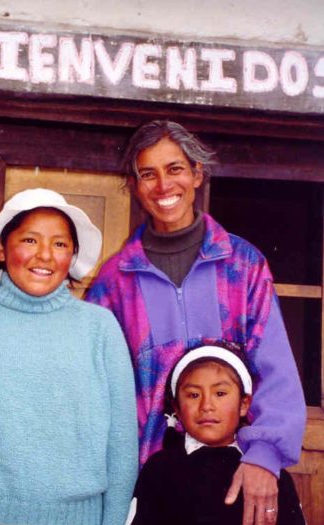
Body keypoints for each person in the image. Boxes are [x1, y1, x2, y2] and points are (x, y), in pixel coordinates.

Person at [86, 120, 306, 525]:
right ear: (134, 185)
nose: (163, 185)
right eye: (147, 174)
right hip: (147, 481)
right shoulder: (114, 281)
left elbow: (275, 368)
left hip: (240, 473)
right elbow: (93, 388)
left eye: (175, 169)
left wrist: (265, 455)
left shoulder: (243, 265)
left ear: (197, 174)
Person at [0, 188, 138, 525]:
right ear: (3, 250)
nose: (45, 256)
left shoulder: (100, 329)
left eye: (60, 244)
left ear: (73, 256)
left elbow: (121, 444)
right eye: (30, 240)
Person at [125, 345, 305, 525]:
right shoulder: (159, 469)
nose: (206, 405)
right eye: (194, 395)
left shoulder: (265, 475)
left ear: (243, 404)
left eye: (220, 393)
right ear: (177, 409)